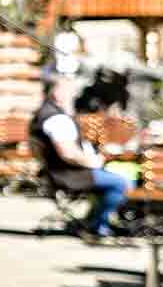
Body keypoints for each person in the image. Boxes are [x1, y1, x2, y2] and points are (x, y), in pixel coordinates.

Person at [30, 71, 129, 237]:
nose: (73, 94)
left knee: (118, 176)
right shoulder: (57, 119)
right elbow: (68, 154)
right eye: (69, 90)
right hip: (69, 175)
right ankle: (97, 225)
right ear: (57, 93)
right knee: (122, 183)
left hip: (62, 172)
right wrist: (93, 161)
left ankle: (93, 220)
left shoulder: (44, 114)